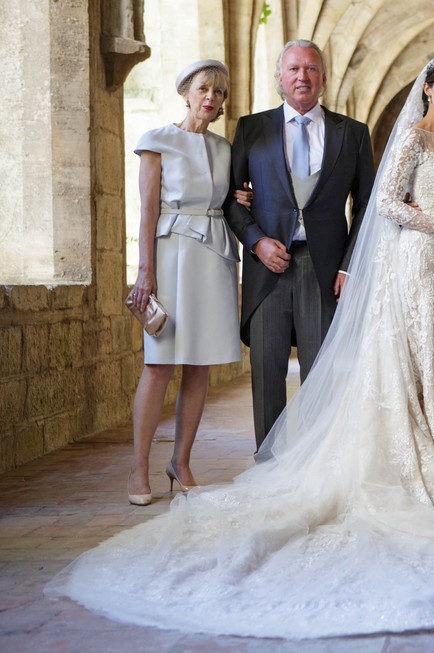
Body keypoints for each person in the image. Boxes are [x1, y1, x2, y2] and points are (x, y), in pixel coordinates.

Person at [47, 54, 434, 639]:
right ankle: (318, 460)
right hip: (412, 263)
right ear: (426, 89)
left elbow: (426, 195)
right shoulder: (396, 136)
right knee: (385, 367)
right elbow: (384, 204)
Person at [225, 40, 374, 450]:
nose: (302, 76)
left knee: (322, 372)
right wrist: (256, 243)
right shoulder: (251, 129)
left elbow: (366, 207)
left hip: (325, 270)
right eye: (293, 69)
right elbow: (230, 200)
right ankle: (268, 464)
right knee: (267, 370)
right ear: (280, 79)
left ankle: (316, 465)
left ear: (324, 79)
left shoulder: (354, 134)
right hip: (267, 267)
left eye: (311, 69)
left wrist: (349, 266)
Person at [125, 60, 241, 506]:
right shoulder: (157, 141)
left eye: (218, 93)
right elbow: (148, 211)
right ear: (186, 92)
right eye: (203, 89)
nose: (211, 97)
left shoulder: (225, 148)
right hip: (170, 254)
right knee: (158, 364)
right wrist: (145, 271)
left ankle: (181, 462)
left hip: (213, 257)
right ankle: (138, 468)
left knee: (200, 365)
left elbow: (229, 199)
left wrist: (241, 196)